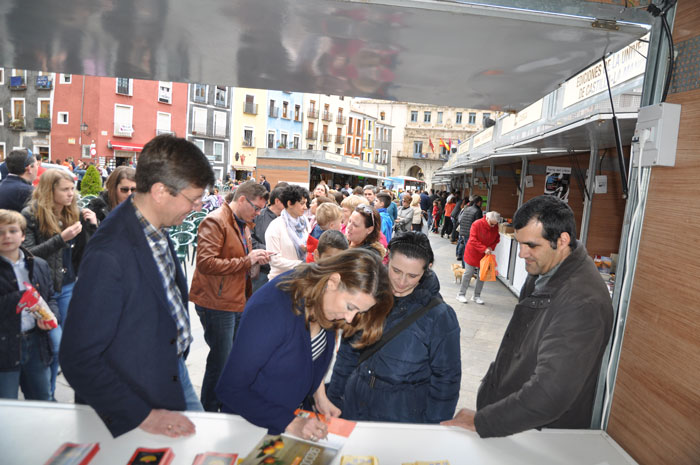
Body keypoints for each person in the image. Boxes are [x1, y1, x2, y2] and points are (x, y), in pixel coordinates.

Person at [60, 135, 216, 438]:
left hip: (169, 370)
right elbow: (78, 358)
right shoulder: (110, 253)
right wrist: (142, 415)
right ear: (160, 191)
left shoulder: (153, 226)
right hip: (133, 393)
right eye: (193, 198)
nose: (198, 207)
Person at [443, 195, 614, 438]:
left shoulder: (582, 301)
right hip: (515, 427)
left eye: (531, 245)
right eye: (520, 243)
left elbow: (551, 392)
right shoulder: (543, 272)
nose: (522, 254)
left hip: (539, 437)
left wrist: (484, 421)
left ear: (562, 240)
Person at [215, 249, 394, 438]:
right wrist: (290, 423)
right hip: (250, 426)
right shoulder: (270, 310)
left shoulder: (324, 298)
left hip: (289, 419)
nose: (350, 319)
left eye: (359, 312)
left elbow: (309, 357)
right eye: (350, 307)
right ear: (333, 282)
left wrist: (319, 396)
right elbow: (229, 388)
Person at [328, 232, 461, 423]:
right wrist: (334, 400)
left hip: (402, 415)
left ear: (427, 269)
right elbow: (348, 354)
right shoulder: (367, 295)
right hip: (354, 404)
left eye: (412, 275)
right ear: (387, 259)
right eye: (396, 271)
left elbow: (447, 379)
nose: (402, 281)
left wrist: (434, 428)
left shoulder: (439, 316)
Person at [189, 181, 274, 412]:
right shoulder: (216, 220)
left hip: (233, 298)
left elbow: (240, 260)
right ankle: (209, 409)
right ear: (243, 199)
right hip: (216, 302)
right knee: (221, 360)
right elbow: (206, 263)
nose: (258, 213)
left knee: (229, 358)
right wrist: (248, 260)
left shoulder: (241, 222)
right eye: (256, 208)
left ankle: (224, 404)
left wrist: (255, 258)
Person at [22, 169, 97, 399]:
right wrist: (61, 239)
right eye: (65, 189)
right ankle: (47, 394)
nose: (71, 194)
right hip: (42, 291)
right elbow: (28, 254)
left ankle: (50, 394)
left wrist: (92, 226)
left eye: (72, 189)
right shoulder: (31, 214)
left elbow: (89, 251)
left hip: (68, 285)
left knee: (61, 347)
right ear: (49, 190)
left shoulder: (71, 212)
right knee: (54, 345)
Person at [0, 210, 57, 401]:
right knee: (6, 405)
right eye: (0, 232)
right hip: (5, 346)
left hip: (35, 342)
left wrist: (51, 316)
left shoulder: (38, 264)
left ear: (23, 235)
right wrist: (19, 297)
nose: (6, 236)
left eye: (12, 230)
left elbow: (50, 298)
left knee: (42, 399)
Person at [266, 184, 311, 280]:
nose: (305, 207)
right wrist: (302, 264)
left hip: (302, 279)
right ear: (290, 203)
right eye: (302, 203)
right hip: (281, 281)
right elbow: (274, 260)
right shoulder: (276, 226)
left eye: (306, 203)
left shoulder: (305, 222)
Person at [456, 211, 500, 305]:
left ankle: (476, 296)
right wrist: (484, 248)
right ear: (487, 218)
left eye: (495, 224)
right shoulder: (477, 224)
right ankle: (461, 294)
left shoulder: (495, 226)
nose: (493, 226)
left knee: (482, 275)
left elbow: (497, 239)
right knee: (468, 273)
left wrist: (490, 247)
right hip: (473, 252)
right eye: (491, 224)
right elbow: (472, 239)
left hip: (485, 254)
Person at [251, 185, 285, 291]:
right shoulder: (258, 216)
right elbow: (250, 240)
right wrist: (270, 251)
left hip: (282, 272)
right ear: (278, 201)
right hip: (262, 271)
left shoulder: (288, 220)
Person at [457, 195, 484, 264]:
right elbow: (478, 224)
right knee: (469, 251)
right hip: (471, 233)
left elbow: (461, 219)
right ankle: (467, 266)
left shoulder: (467, 208)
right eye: (481, 202)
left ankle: (464, 265)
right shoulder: (478, 211)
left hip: (463, 232)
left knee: (466, 249)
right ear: (479, 202)